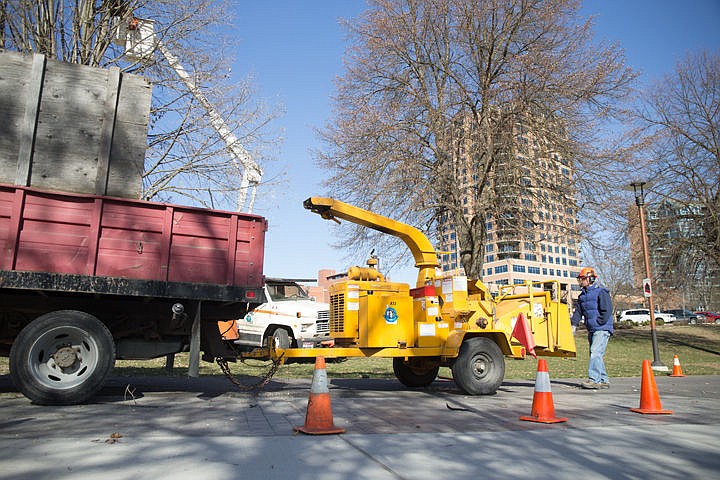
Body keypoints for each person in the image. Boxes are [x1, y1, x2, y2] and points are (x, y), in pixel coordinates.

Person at [571, 267, 613, 389]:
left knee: (595, 352)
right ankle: (603, 380)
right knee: (595, 353)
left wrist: (599, 322)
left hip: (602, 327)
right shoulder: (582, 296)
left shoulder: (601, 291)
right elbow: (578, 312)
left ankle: (594, 379)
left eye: (583, 279)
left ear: (591, 279)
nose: (581, 281)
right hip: (592, 328)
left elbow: (607, 309)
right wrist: (574, 324)